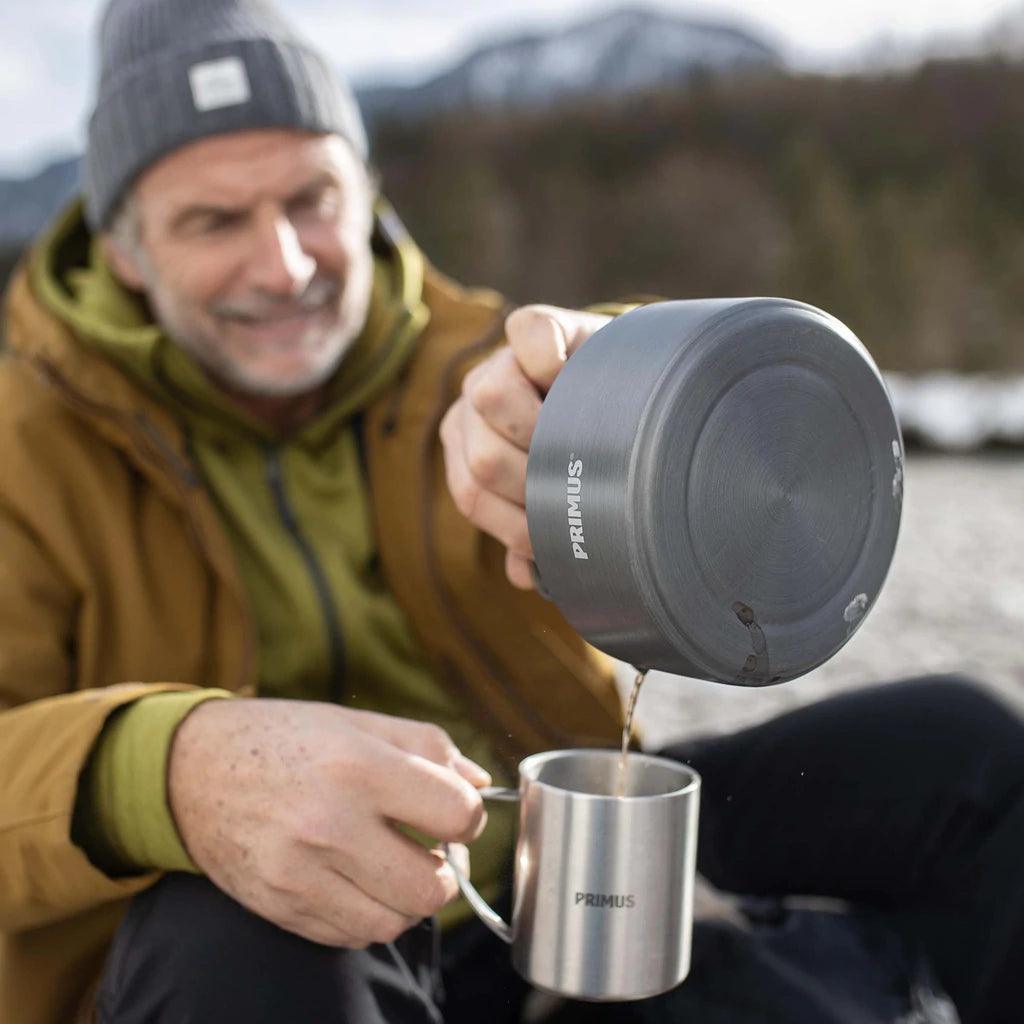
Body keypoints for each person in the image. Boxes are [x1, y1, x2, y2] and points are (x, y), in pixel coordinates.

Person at [0, 1, 1021, 1022]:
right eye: (213, 220)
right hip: (256, 949)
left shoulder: (467, 359)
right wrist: (171, 768)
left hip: (558, 874)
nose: (286, 264)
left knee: (965, 754)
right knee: (238, 927)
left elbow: (604, 361)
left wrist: (612, 388)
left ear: (366, 191)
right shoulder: (25, 443)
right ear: (126, 251)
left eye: (311, 198)